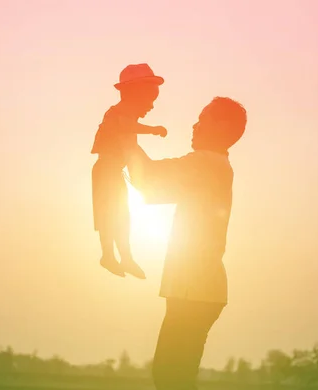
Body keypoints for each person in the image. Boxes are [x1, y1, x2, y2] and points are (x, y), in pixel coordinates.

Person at [126, 97, 247, 389]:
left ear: (221, 127)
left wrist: (125, 136)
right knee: (173, 376)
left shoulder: (206, 164)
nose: (195, 125)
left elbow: (150, 178)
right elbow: (151, 185)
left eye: (202, 119)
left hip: (195, 290)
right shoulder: (212, 166)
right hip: (196, 289)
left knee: (171, 377)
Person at [90, 63, 167, 279]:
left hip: (114, 171)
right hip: (106, 170)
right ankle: (109, 255)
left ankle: (125, 256)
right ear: (134, 94)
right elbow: (125, 127)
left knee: (121, 215)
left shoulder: (126, 118)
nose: (150, 107)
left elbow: (132, 147)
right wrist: (153, 130)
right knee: (109, 214)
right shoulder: (118, 114)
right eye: (149, 101)